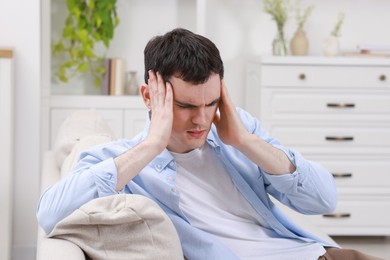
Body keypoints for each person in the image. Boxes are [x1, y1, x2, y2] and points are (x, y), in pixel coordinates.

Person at [37, 28, 380, 260]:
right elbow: (50, 214)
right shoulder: (123, 161)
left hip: (312, 253)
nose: (202, 120)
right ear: (148, 96)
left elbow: (323, 199)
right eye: (186, 106)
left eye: (211, 102)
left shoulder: (237, 132)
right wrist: (153, 145)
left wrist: (244, 141)